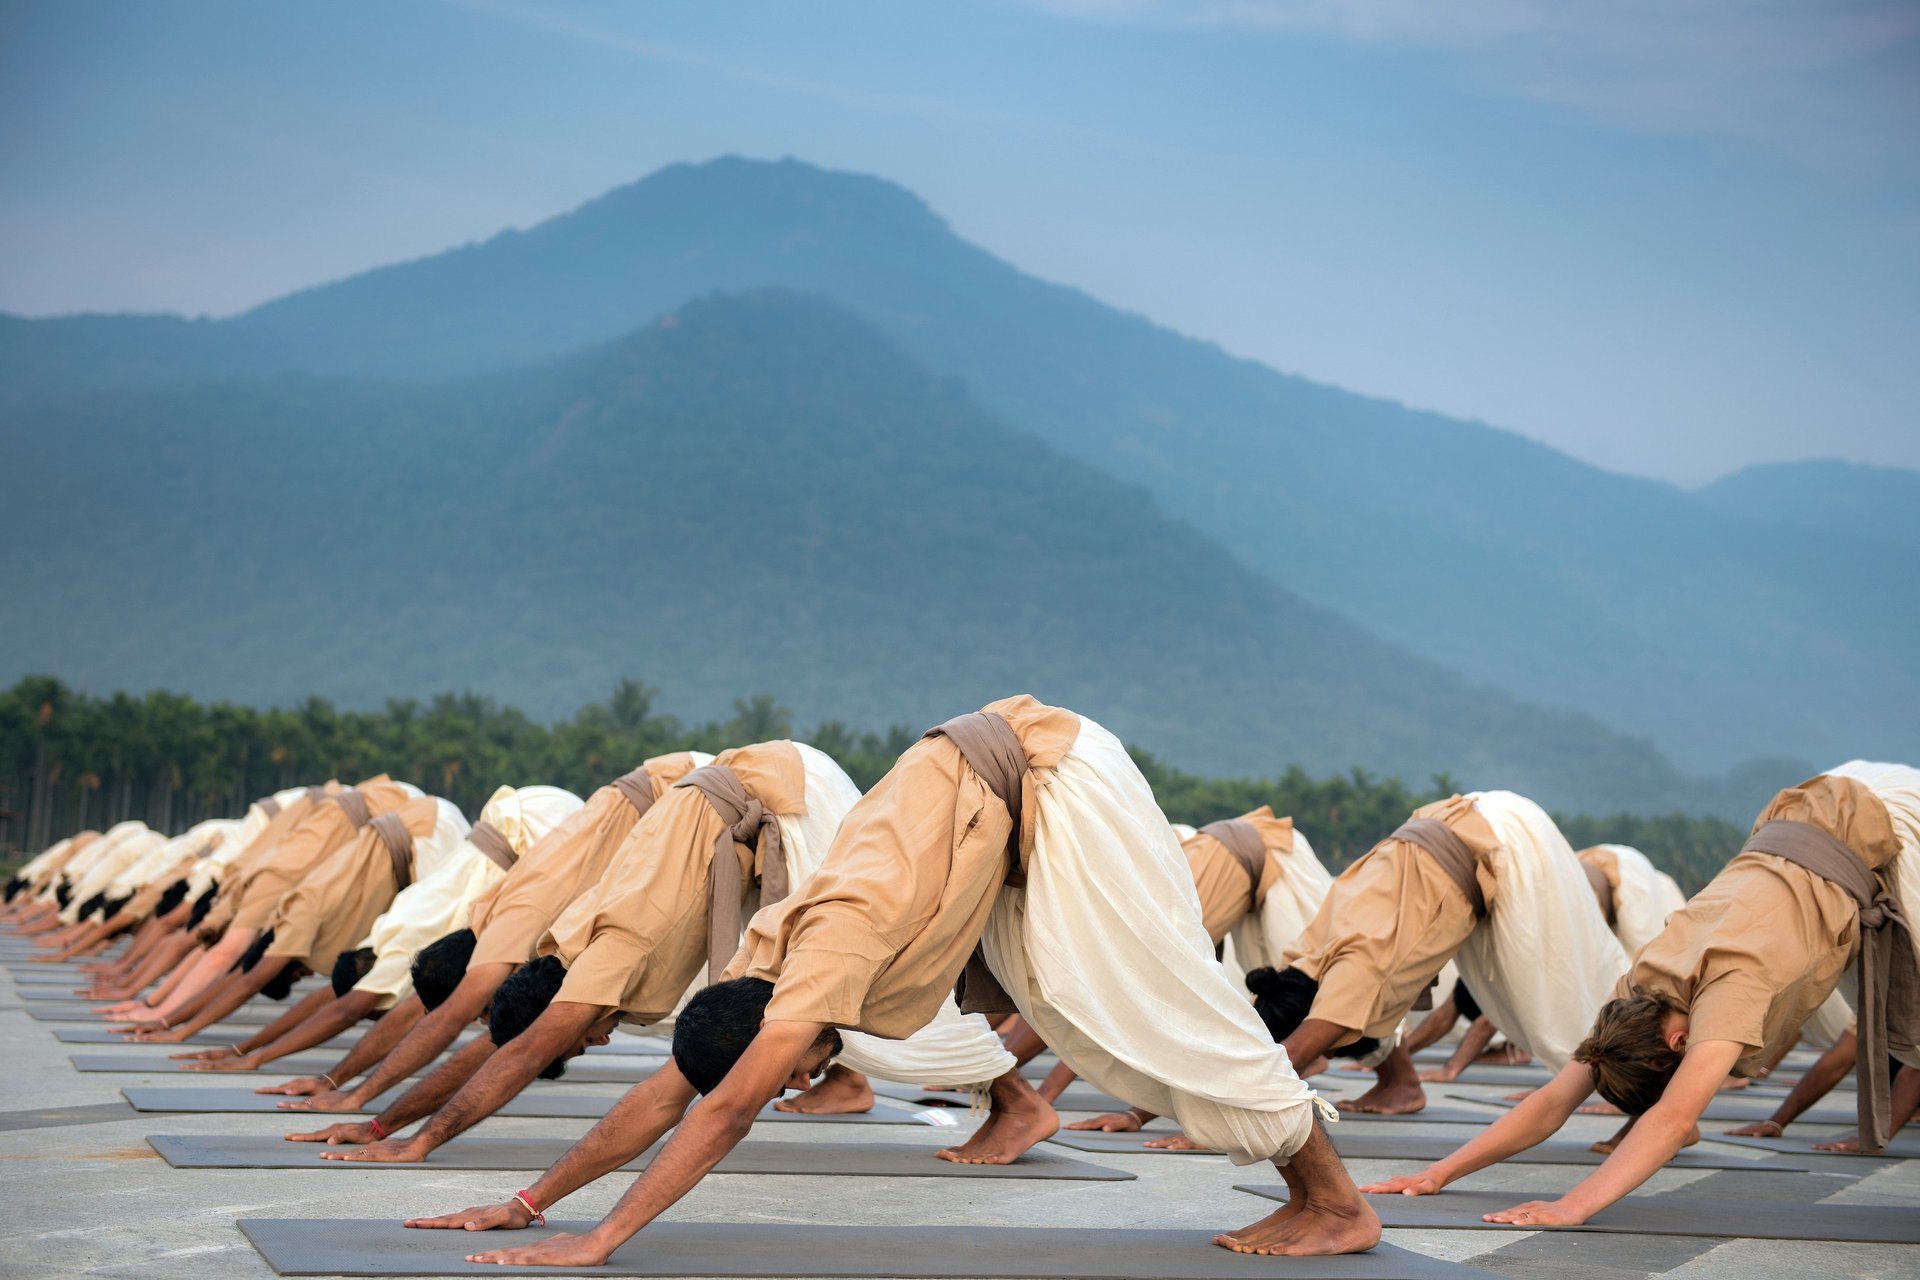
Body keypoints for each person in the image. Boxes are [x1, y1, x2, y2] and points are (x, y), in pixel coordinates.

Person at [405, 697, 1375, 1264]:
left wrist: (599, 1237)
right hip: (996, 804)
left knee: (1149, 996)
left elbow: (723, 1109)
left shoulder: (821, 958)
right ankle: (1301, 1186)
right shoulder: (762, 970)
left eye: (781, 1074)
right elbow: (680, 1088)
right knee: (1074, 1000)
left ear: (782, 1048)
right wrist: (531, 1202)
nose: (788, 1085)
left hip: (1058, 773)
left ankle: (1337, 1201)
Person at [1361, 761, 1920, 1224]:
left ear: (1679, 1044)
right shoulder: (1635, 994)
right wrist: (1438, 1172)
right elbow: (1554, 1100)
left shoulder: (1731, 988)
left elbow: (1676, 1119)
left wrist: (1573, 1206)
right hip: (1811, 811)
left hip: (1890, 818)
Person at [304, 741, 863, 1163]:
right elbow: (509, 1046)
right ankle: (848, 1073)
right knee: (802, 983)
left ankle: (854, 1078)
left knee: (853, 975)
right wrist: (379, 1121)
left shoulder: (605, 952)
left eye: (576, 1044)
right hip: (735, 784)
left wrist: (409, 1138)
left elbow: (514, 1055)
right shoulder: (562, 944)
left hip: (787, 788)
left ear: (558, 1014)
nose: (597, 1041)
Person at [271, 755, 709, 1115]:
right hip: (590, 809)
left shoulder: (514, 925)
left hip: (678, 788)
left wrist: (359, 1100)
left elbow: (452, 1024)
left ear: (474, 983)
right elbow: (438, 1016)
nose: (484, 1019)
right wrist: (344, 1087)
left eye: (479, 1010)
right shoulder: (480, 922)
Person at [1209, 792, 1625, 1117]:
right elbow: (1281, 1024)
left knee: (1562, 995)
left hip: (1508, 842)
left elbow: (1290, 1059)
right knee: (1397, 994)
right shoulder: (1305, 957)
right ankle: (1400, 1086)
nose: (1329, 1055)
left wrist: (1213, 1119)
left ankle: (1641, 1092)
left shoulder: (1354, 966)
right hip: (1458, 821)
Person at [172, 786, 582, 1073]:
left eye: (295, 972)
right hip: (507, 813)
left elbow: (347, 1008)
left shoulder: (394, 948)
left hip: (519, 825)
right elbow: (337, 1000)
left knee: (471, 983)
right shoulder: (379, 933)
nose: (302, 970)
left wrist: (246, 1052)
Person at [125, 792, 466, 1043]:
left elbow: (240, 973)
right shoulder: (269, 903)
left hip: (428, 827)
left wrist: (172, 1023)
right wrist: (160, 1010)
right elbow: (234, 965)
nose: (305, 973)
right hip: (408, 812)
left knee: (426, 958)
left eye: (295, 974)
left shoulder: (294, 911)